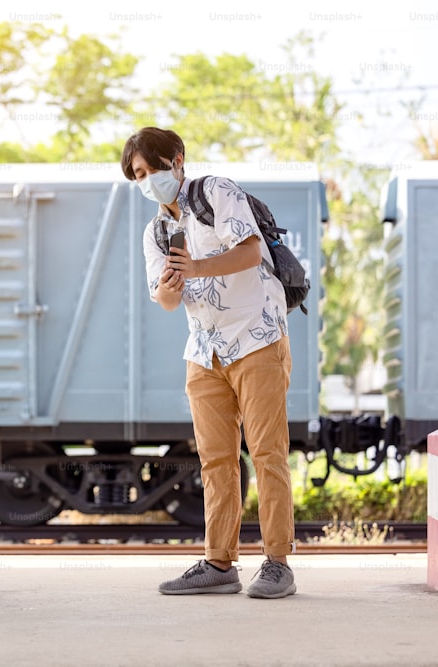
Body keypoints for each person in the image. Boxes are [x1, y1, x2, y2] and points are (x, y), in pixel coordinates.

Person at [121, 127, 297, 599]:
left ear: (177, 160)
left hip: (256, 336)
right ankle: (220, 563)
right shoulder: (155, 230)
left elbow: (250, 250)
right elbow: (161, 300)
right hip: (203, 351)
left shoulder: (216, 192)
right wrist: (168, 290)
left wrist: (195, 269)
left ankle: (278, 563)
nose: (147, 180)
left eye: (152, 168)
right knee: (215, 460)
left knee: (267, 453)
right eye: (138, 175)